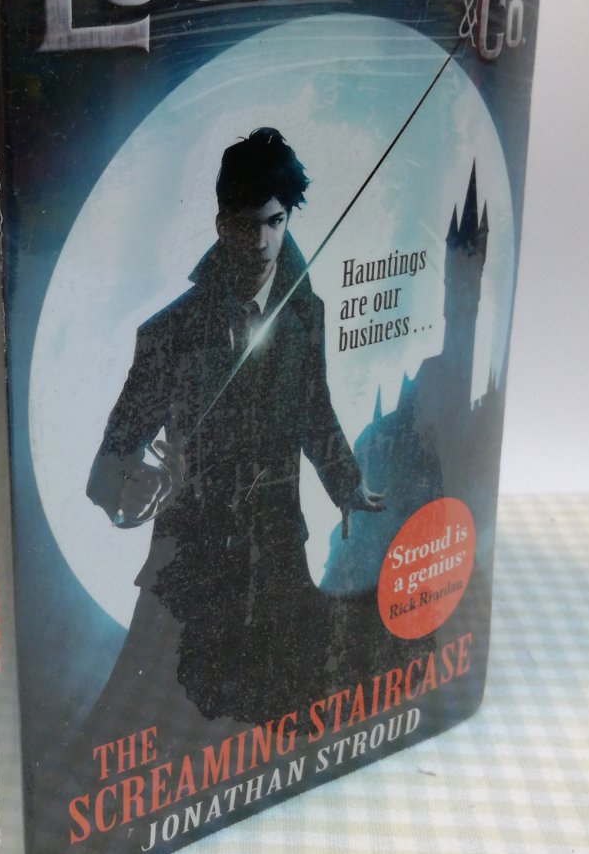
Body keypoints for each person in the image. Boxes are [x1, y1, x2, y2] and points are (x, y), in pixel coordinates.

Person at [87, 127, 383, 723]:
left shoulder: (306, 316)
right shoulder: (168, 334)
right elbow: (109, 463)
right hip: (191, 575)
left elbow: (314, 409)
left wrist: (347, 484)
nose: (263, 241)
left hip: (278, 558)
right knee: (183, 725)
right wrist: (130, 493)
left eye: (275, 222)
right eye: (247, 225)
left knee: (290, 719)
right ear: (222, 225)